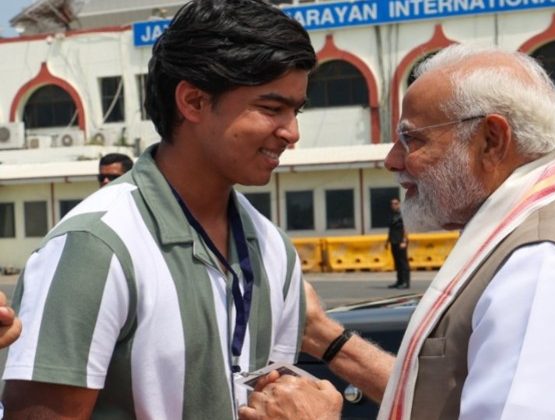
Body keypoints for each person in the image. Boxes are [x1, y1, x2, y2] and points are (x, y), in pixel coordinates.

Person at [242, 44, 555, 420]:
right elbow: (449, 398)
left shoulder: (541, 268)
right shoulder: (541, 230)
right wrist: (328, 338)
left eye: (411, 139)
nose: (392, 160)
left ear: (490, 140)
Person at [2, 0, 319, 418]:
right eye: (271, 108)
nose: (291, 132)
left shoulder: (274, 249)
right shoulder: (96, 247)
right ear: (193, 101)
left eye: (296, 111)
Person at [386, 197, 410, 289]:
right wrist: (387, 241)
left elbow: (406, 228)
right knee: (397, 262)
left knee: (403, 262)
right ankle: (399, 281)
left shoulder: (403, 215)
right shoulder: (392, 215)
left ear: (399, 204)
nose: (393, 205)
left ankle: (405, 282)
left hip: (401, 241)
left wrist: (404, 240)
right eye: (392, 204)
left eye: (396, 203)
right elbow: (391, 229)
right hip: (393, 241)